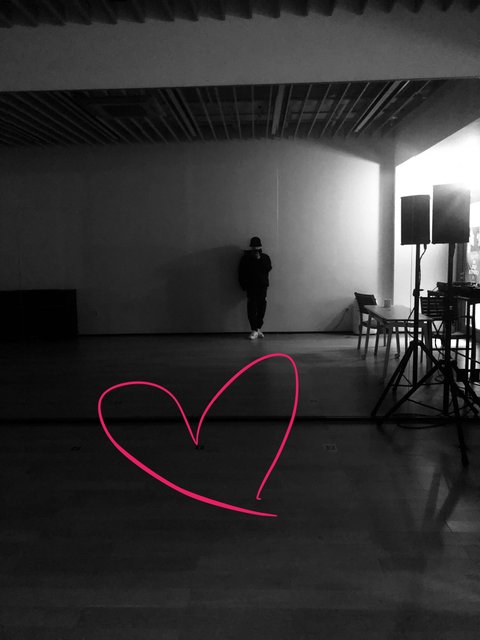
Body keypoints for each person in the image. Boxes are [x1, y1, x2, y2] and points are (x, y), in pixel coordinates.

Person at [238, 236, 272, 340]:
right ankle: (254, 329)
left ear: (260, 247)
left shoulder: (265, 257)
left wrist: (259, 259)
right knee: (252, 307)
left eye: (257, 247)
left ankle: (258, 328)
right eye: (254, 247)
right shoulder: (246, 258)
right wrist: (243, 285)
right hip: (251, 286)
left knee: (262, 307)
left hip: (262, 286)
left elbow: (268, 268)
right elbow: (241, 272)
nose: (256, 249)